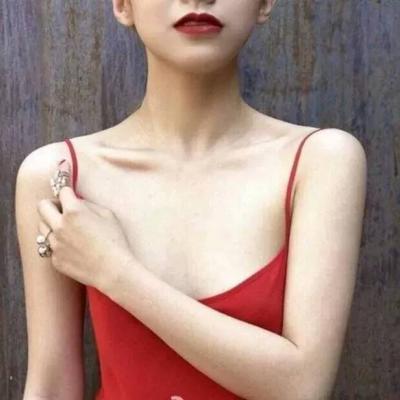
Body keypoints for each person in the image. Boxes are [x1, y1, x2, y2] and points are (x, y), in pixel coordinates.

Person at [16, 1, 367, 399]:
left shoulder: (320, 160)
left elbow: (303, 387)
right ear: (123, 5)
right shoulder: (59, 175)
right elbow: (50, 385)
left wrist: (114, 271)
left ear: (265, 4)